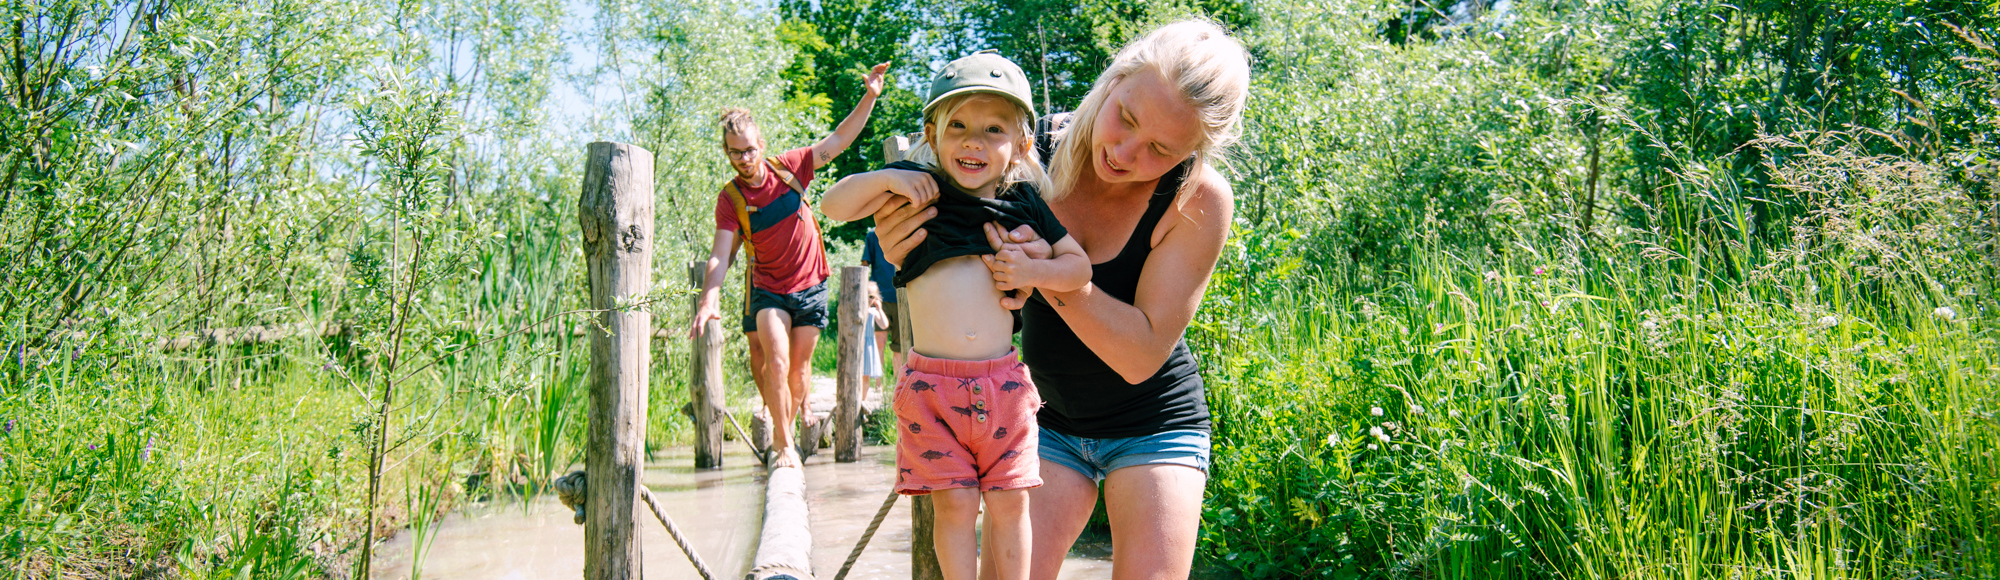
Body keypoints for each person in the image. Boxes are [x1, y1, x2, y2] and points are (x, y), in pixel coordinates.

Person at [868, 21, 1250, 580]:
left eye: (1160, 149)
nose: (1124, 151)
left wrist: (1045, 273)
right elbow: (923, 206)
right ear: (1113, 80)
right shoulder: (1021, 149)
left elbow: (1140, 355)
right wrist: (903, 238)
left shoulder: (1200, 198)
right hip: (1036, 416)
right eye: (1126, 117)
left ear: (1194, 150)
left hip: (1154, 423)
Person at [820, 51, 1091, 580]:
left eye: (993, 130)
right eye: (958, 127)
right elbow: (833, 204)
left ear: (1022, 145)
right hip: (932, 386)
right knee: (956, 505)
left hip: (1003, 382)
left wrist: (1033, 272)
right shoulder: (916, 185)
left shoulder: (1024, 202)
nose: (973, 142)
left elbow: (1077, 267)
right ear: (932, 134)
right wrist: (888, 179)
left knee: (1012, 501)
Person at [689, 62, 889, 468]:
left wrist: (869, 96)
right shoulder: (731, 199)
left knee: (799, 372)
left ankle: (792, 425)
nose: (744, 158)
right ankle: (783, 446)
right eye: (735, 152)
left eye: (749, 149)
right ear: (726, 153)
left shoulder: (791, 166)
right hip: (768, 289)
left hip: (811, 284)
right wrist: (709, 298)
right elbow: (720, 253)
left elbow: (839, 139)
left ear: (761, 144)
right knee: (775, 362)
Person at [860, 229, 904, 385]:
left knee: (900, 347)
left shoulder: (903, 230)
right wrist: (865, 294)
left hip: (902, 295)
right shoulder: (873, 235)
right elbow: (865, 264)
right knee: (879, 341)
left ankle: (897, 385)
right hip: (879, 296)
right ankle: (879, 384)